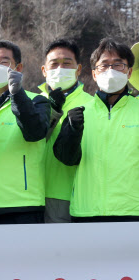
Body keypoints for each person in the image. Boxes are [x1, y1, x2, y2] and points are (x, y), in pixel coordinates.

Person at [54, 38, 139, 222]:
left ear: (129, 71)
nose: (110, 71)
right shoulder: (79, 112)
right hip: (86, 212)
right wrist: (72, 131)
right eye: (104, 65)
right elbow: (65, 159)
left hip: (132, 212)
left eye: (118, 65)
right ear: (94, 74)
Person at [0, 40, 51, 224]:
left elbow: (34, 132)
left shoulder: (38, 101)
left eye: (4, 62)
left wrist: (17, 94)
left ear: (18, 68)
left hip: (23, 204)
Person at [39, 39, 92, 223]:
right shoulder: (33, 102)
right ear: (44, 70)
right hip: (29, 196)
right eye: (54, 64)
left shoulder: (91, 104)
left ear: (78, 69)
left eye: (67, 63)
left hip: (68, 193)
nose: (60, 69)